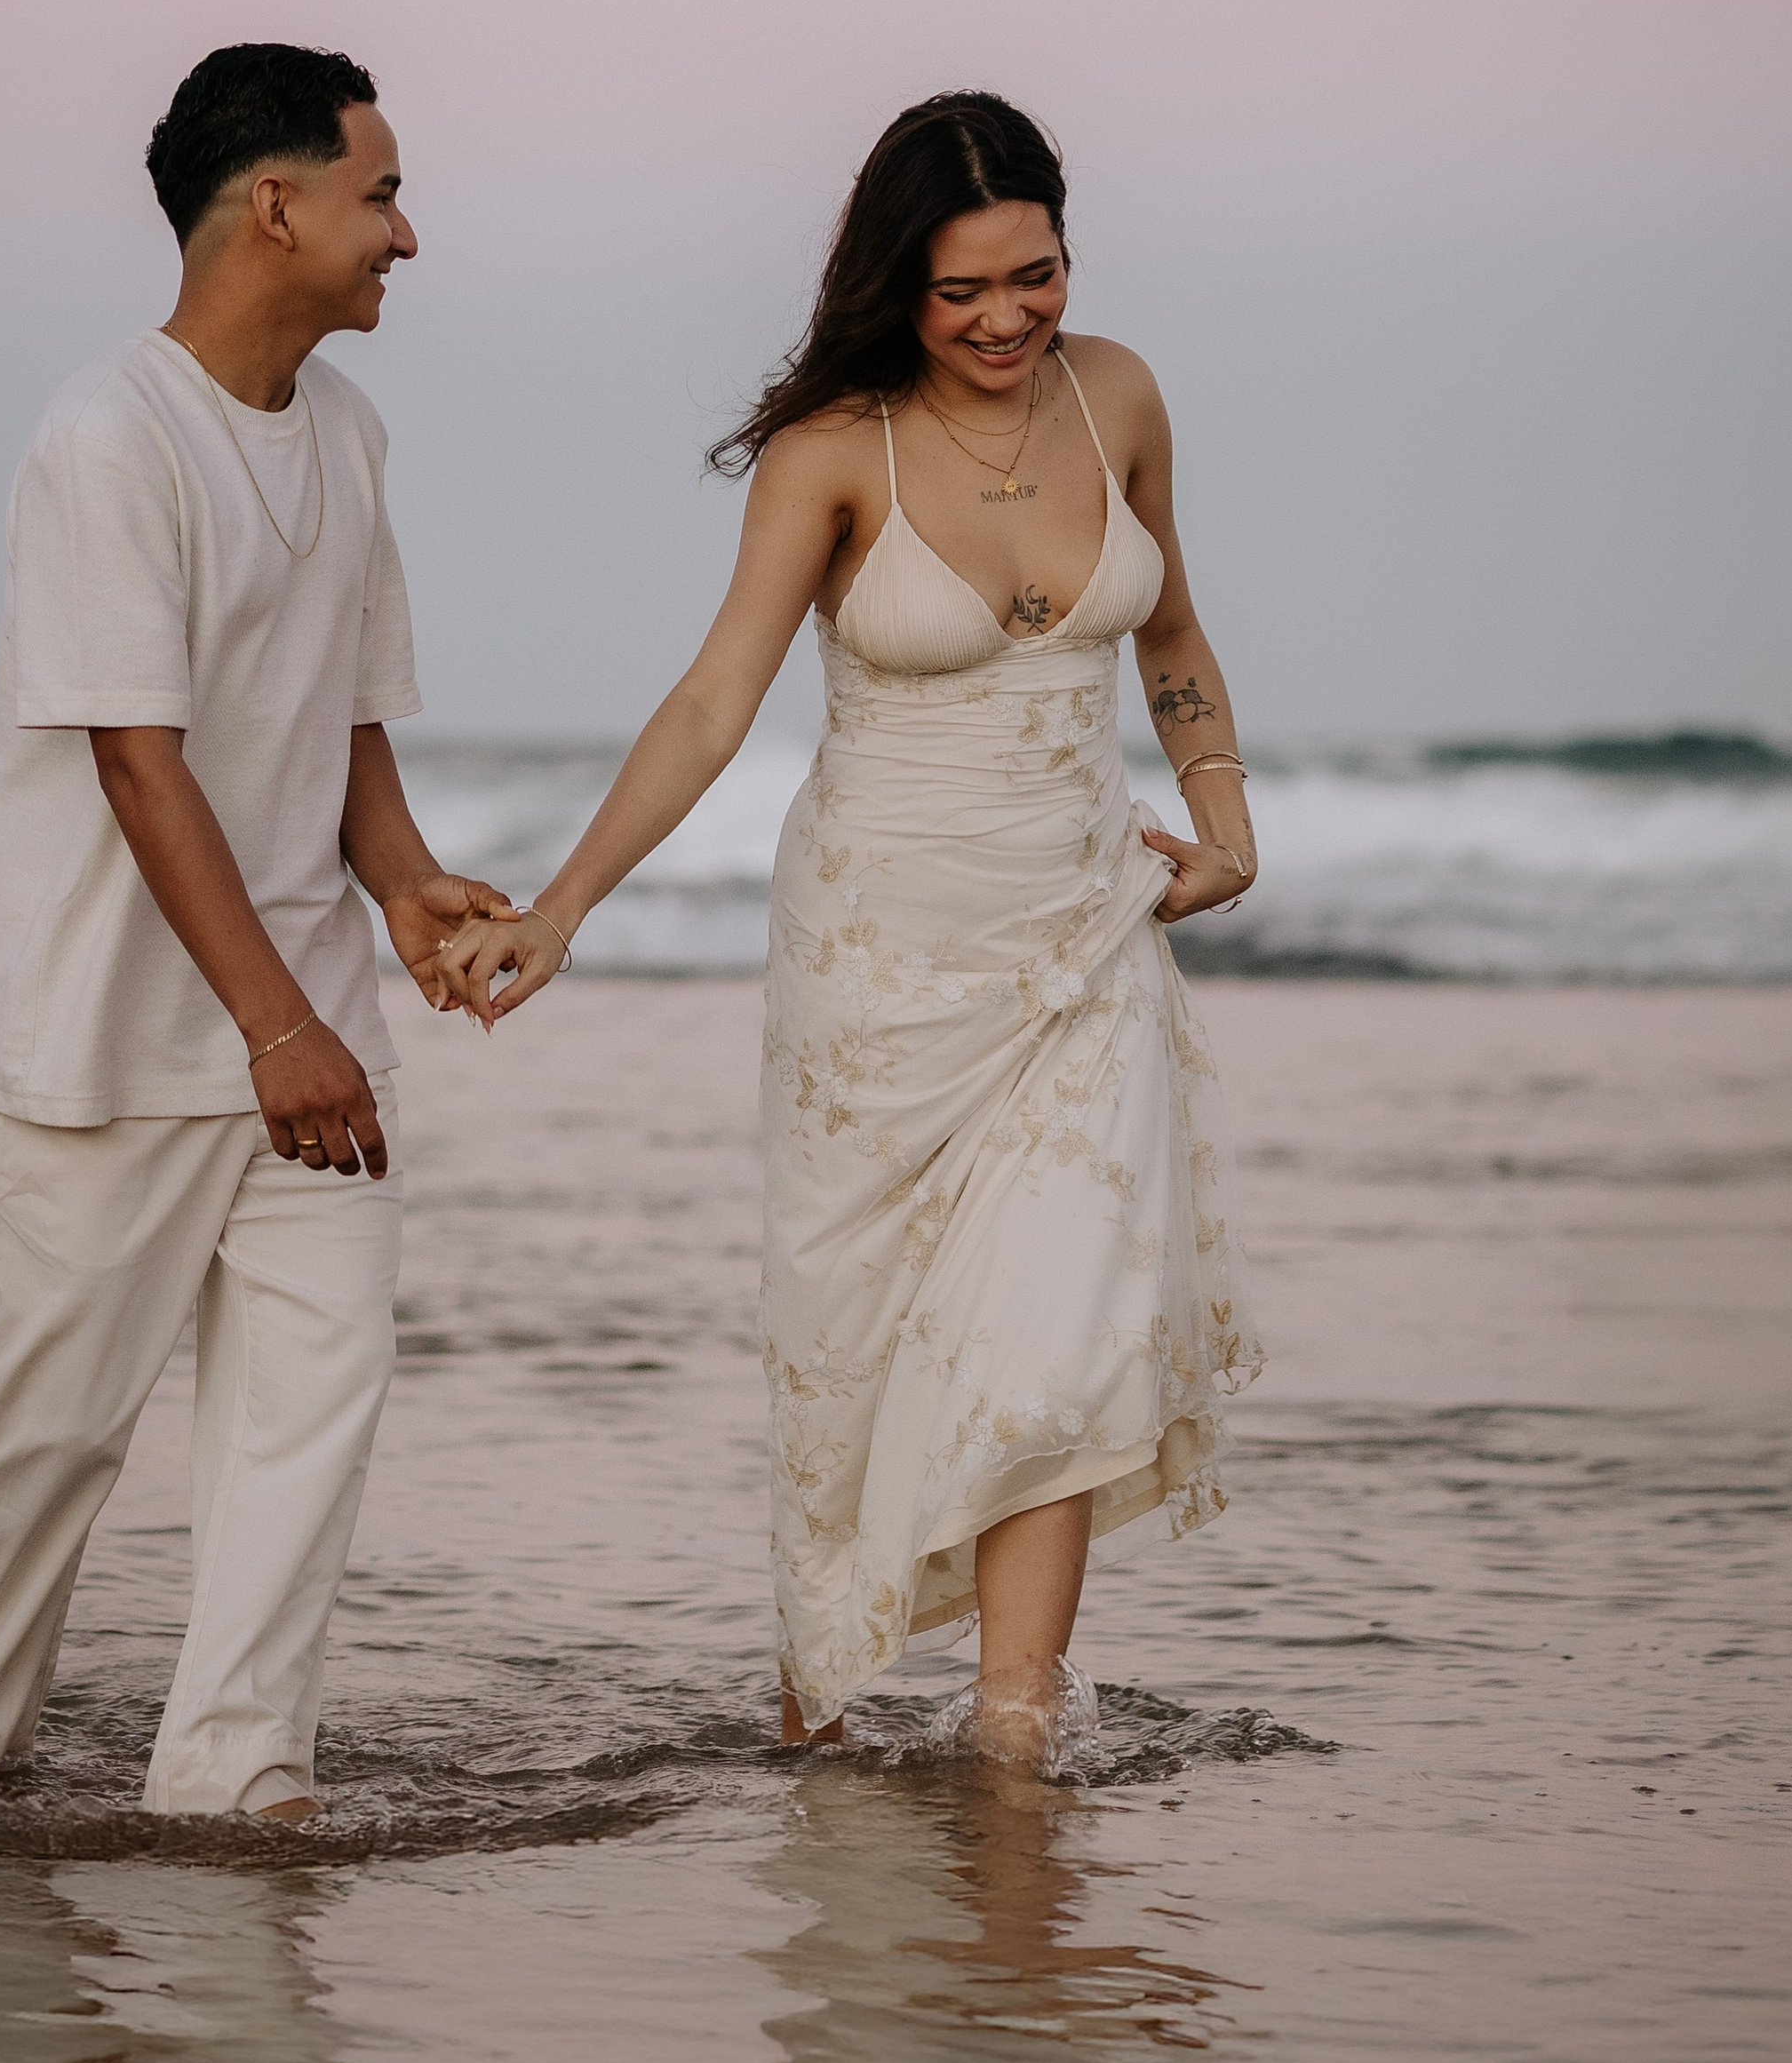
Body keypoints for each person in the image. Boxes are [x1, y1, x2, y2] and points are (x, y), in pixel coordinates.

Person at [439, 93, 1263, 1762]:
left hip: (1080, 945)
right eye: (961, 292)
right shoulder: (835, 455)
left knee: (1064, 1335)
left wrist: (1225, 814)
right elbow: (711, 703)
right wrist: (563, 906)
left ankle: (1014, 1732)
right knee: (862, 1354)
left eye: (1033, 276)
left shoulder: (1120, 397)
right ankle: (818, 1716)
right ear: (896, 286)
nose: (1005, 319)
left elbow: (1170, 620)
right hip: (881, 971)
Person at [0, 43, 511, 1821]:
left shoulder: (352, 432)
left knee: (309, 1417)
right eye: (379, 194)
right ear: (275, 205)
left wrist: (402, 891)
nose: (405, 233)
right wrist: (273, 1032)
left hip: (301, 1029)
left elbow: (346, 726)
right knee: (51, 1438)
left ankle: (235, 1781)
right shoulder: (106, 436)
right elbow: (140, 769)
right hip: (107, 1042)